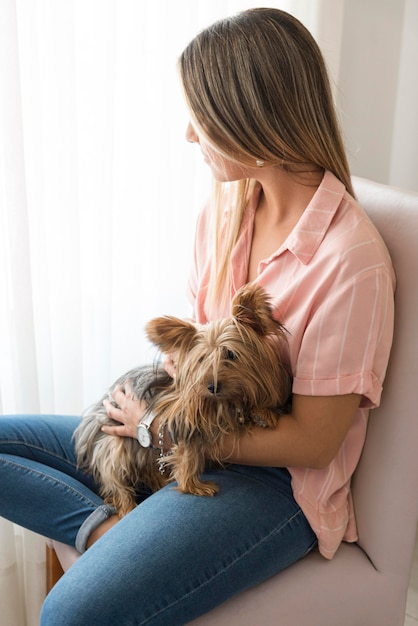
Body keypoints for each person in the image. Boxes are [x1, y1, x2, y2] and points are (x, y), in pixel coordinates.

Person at [0, 8, 395, 625]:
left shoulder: (351, 261)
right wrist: (155, 415)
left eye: (201, 116)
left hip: (273, 486)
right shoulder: (229, 210)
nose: (189, 134)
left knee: (67, 616)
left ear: (251, 116)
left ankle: (108, 537)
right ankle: (100, 529)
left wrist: (161, 429)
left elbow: (315, 443)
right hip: (190, 434)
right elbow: (186, 355)